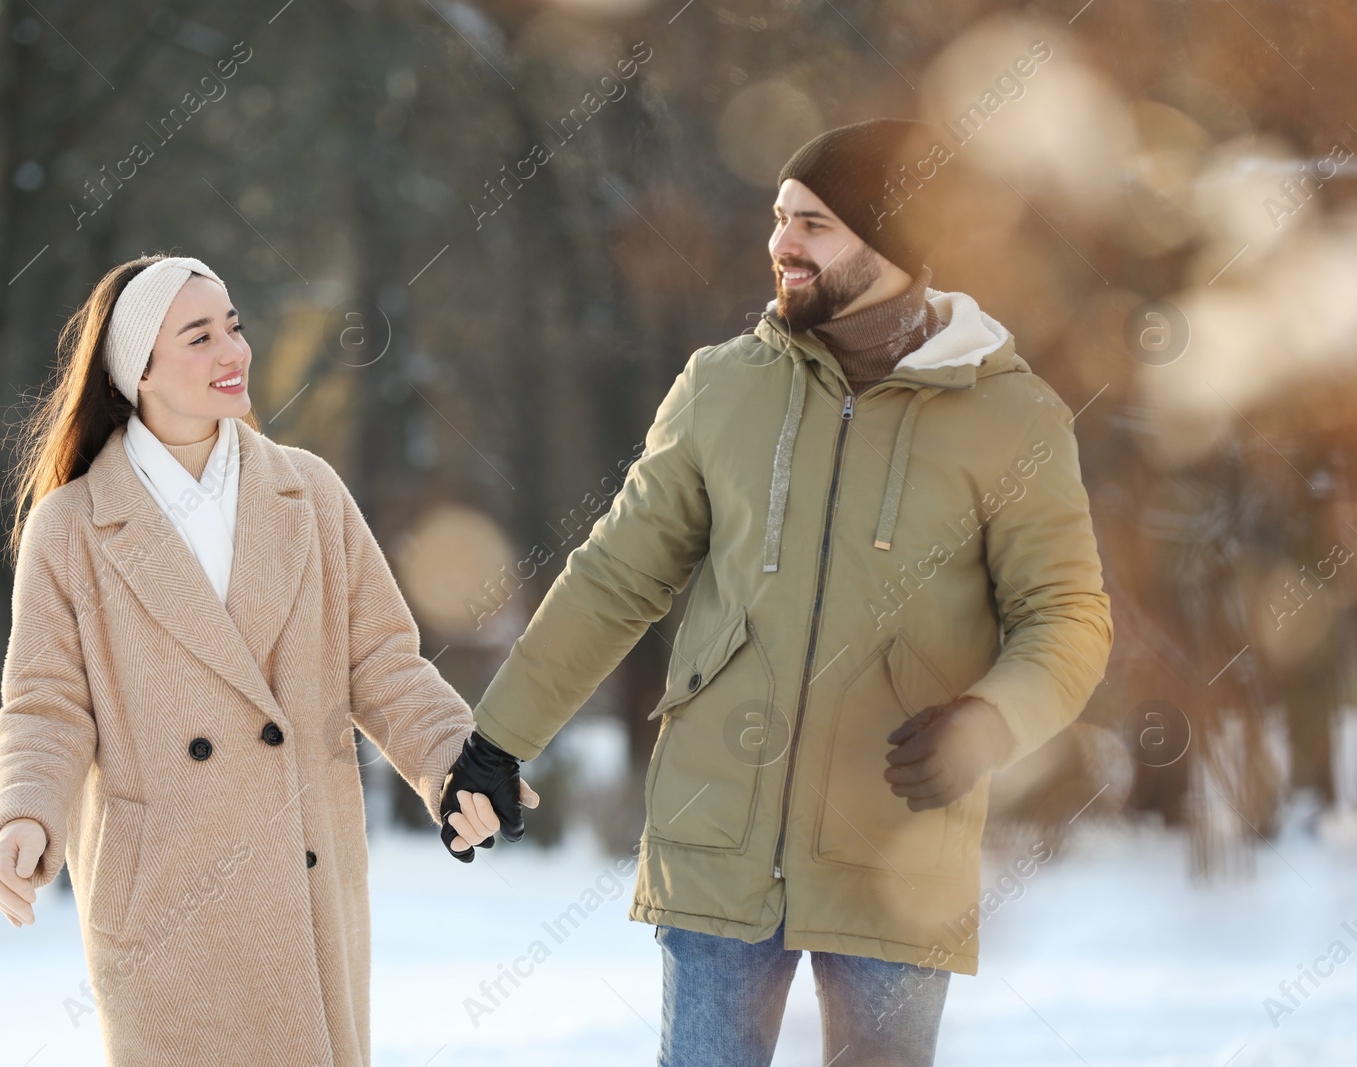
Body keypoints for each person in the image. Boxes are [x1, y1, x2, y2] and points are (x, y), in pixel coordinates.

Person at [436, 118, 1114, 1065]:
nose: (782, 245)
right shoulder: (723, 386)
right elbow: (617, 576)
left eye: (816, 223)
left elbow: (1067, 618)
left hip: (895, 852)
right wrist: (498, 740)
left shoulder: (1011, 416)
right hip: (717, 844)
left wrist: (991, 722)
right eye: (779, 217)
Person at [0, 254, 533, 1065]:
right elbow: (45, 704)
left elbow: (382, 661)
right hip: (161, 905)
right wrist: (25, 812)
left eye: (234, 326)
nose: (233, 350)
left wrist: (455, 758)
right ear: (136, 370)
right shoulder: (69, 528)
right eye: (200, 335)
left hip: (304, 877)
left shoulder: (309, 493)